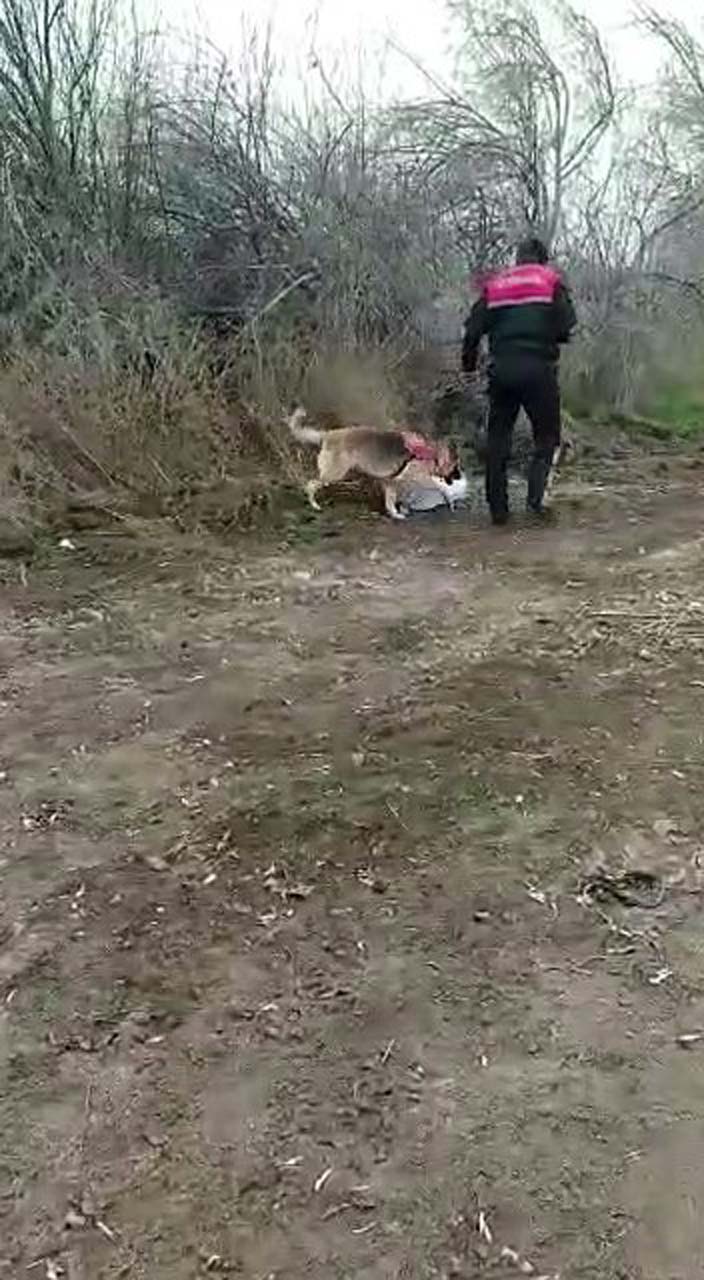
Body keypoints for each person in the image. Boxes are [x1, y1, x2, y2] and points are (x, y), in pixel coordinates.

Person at [461, 236, 576, 525]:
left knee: (498, 440)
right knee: (547, 437)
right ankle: (536, 502)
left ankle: (498, 510)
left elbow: (472, 331)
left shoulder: (497, 285)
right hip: (539, 369)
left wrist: (469, 367)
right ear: (543, 259)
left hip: (502, 370)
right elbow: (566, 326)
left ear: (517, 258)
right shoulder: (551, 281)